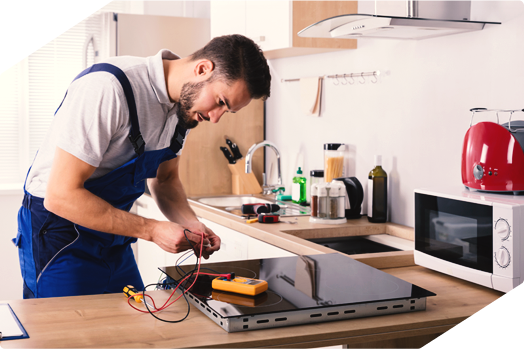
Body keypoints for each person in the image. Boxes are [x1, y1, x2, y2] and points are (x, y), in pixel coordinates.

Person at [14, 34, 272, 299]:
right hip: (60, 236)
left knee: (134, 326)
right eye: (221, 102)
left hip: (113, 238)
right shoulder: (108, 88)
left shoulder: (184, 108)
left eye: (227, 111)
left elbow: (165, 180)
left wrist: (192, 225)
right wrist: (152, 229)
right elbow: (61, 196)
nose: (216, 118)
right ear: (203, 69)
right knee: (67, 337)